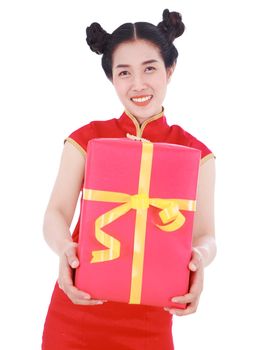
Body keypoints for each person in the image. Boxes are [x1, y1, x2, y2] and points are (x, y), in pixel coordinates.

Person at [42, 9, 216, 350]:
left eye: (149, 68)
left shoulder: (196, 153)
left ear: (170, 69)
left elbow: (206, 234)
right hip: (77, 309)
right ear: (111, 79)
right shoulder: (87, 139)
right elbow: (57, 213)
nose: (138, 84)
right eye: (124, 72)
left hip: (151, 317)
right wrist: (65, 249)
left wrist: (199, 258)